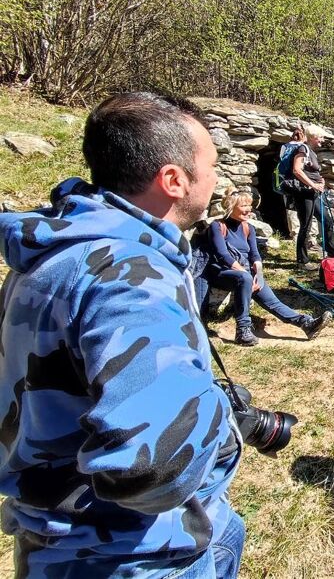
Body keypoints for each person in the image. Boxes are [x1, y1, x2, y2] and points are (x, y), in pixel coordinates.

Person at [0, 92, 245, 576]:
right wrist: (220, 414)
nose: (217, 179)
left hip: (59, 542)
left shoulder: (59, 251)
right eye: (213, 166)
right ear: (173, 180)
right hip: (137, 554)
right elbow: (152, 468)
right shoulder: (131, 280)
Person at [197, 188, 330, 345]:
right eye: (244, 206)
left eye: (250, 205)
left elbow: (255, 255)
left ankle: (306, 324)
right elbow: (222, 255)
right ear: (231, 207)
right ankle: (243, 331)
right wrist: (246, 275)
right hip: (222, 272)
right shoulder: (218, 226)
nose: (248, 209)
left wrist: (258, 275)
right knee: (244, 278)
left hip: (245, 272)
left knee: (273, 302)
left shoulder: (248, 228)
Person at [283, 124, 334, 266]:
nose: (322, 140)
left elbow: (310, 171)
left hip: (313, 193)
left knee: (326, 220)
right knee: (306, 225)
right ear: (313, 137)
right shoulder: (303, 149)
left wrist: (320, 180)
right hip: (304, 193)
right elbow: (297, 170)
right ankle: (302, 260)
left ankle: (332, 254)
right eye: (320, 137)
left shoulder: (311, 151)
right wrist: (313, 184)